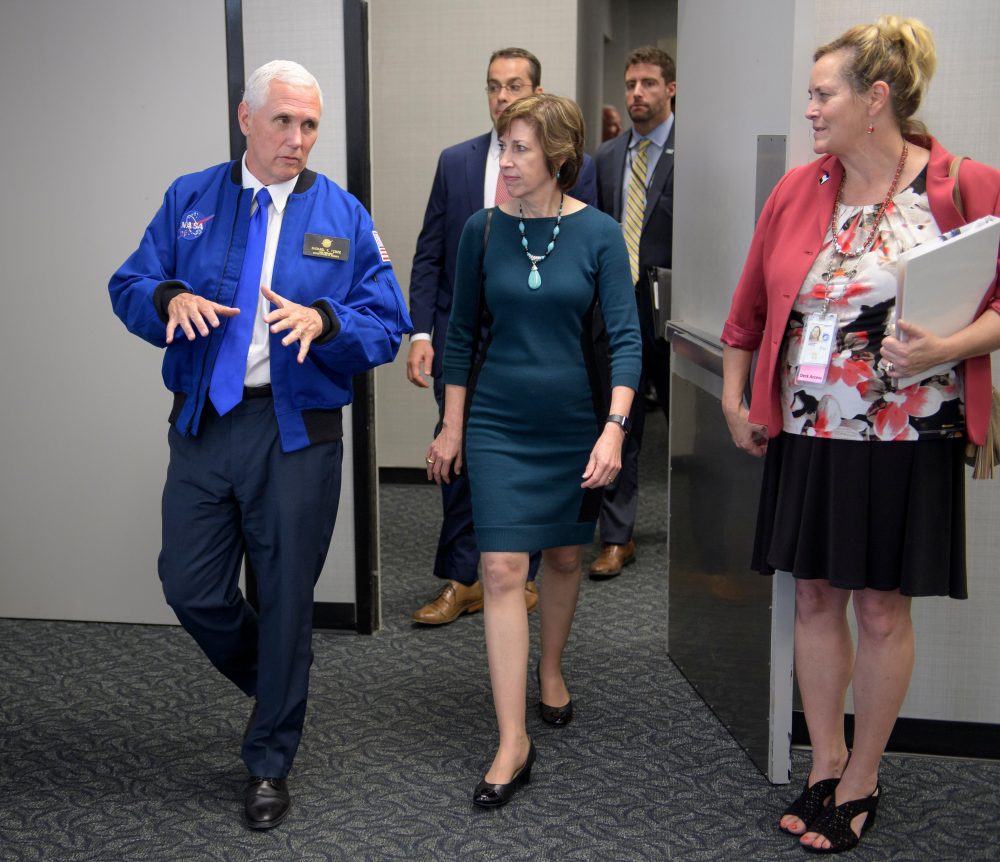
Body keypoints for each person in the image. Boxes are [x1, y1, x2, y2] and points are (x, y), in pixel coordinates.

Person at [721, 17, 1000, 853]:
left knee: (881, 607)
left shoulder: (965, 186)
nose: (809, 109)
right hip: (811, 431)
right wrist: (739, 399)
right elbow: (749, 312)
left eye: (822, 93)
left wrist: (950, 347)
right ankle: (825, 757)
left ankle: (864, 772)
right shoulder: (800, 190)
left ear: (875, 99)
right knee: (813, 595)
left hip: (910, 436)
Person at [108, 60, 411, 830]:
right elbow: (130, 283)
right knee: (192, 586)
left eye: (310, 125)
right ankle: (280, 683)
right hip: (207, 425)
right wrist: (169, 298)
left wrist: (328, 324)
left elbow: (387, 321)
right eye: (284, 121)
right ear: (246, 119)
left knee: (284, 604)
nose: (298, 139)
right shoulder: (191, 199)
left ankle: (270, 759)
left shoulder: (342, 214)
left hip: (297, 436)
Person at [426, 93, 641, 807]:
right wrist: (452, 426)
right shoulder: (481, 232)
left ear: (556, 155)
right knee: (498, 564)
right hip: (497, 422)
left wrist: (613, 427)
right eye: (503, 146)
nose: (506, 161)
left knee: (565, 554)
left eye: (520, 148)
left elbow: (626, 339)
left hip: (575, 420)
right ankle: (512, 739)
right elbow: (460, 336)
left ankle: (551, 666)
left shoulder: (602, 234)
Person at [407, 48, 598, 625]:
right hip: (462, 338)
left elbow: (586, 259)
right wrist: (421, 332)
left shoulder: (573, 170)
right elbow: (430, 253)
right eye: (493, 86)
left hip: (536, 341)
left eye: (514, 86)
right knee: (456, 457)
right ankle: (462, 578)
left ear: (537, 91)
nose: (502, 97)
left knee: (536, 479)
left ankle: (519, 572)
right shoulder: (456, 161)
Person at [590, 46, 676, 579]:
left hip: (674, 310)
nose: (637, 93)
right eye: (630, 84)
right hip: (618, 309)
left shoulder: (693, 151)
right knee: (620, 421)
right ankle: (616, 538)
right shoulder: (606, 156)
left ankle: (702, 537)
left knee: (688, 427)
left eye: (647, 83)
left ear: (670, 88)